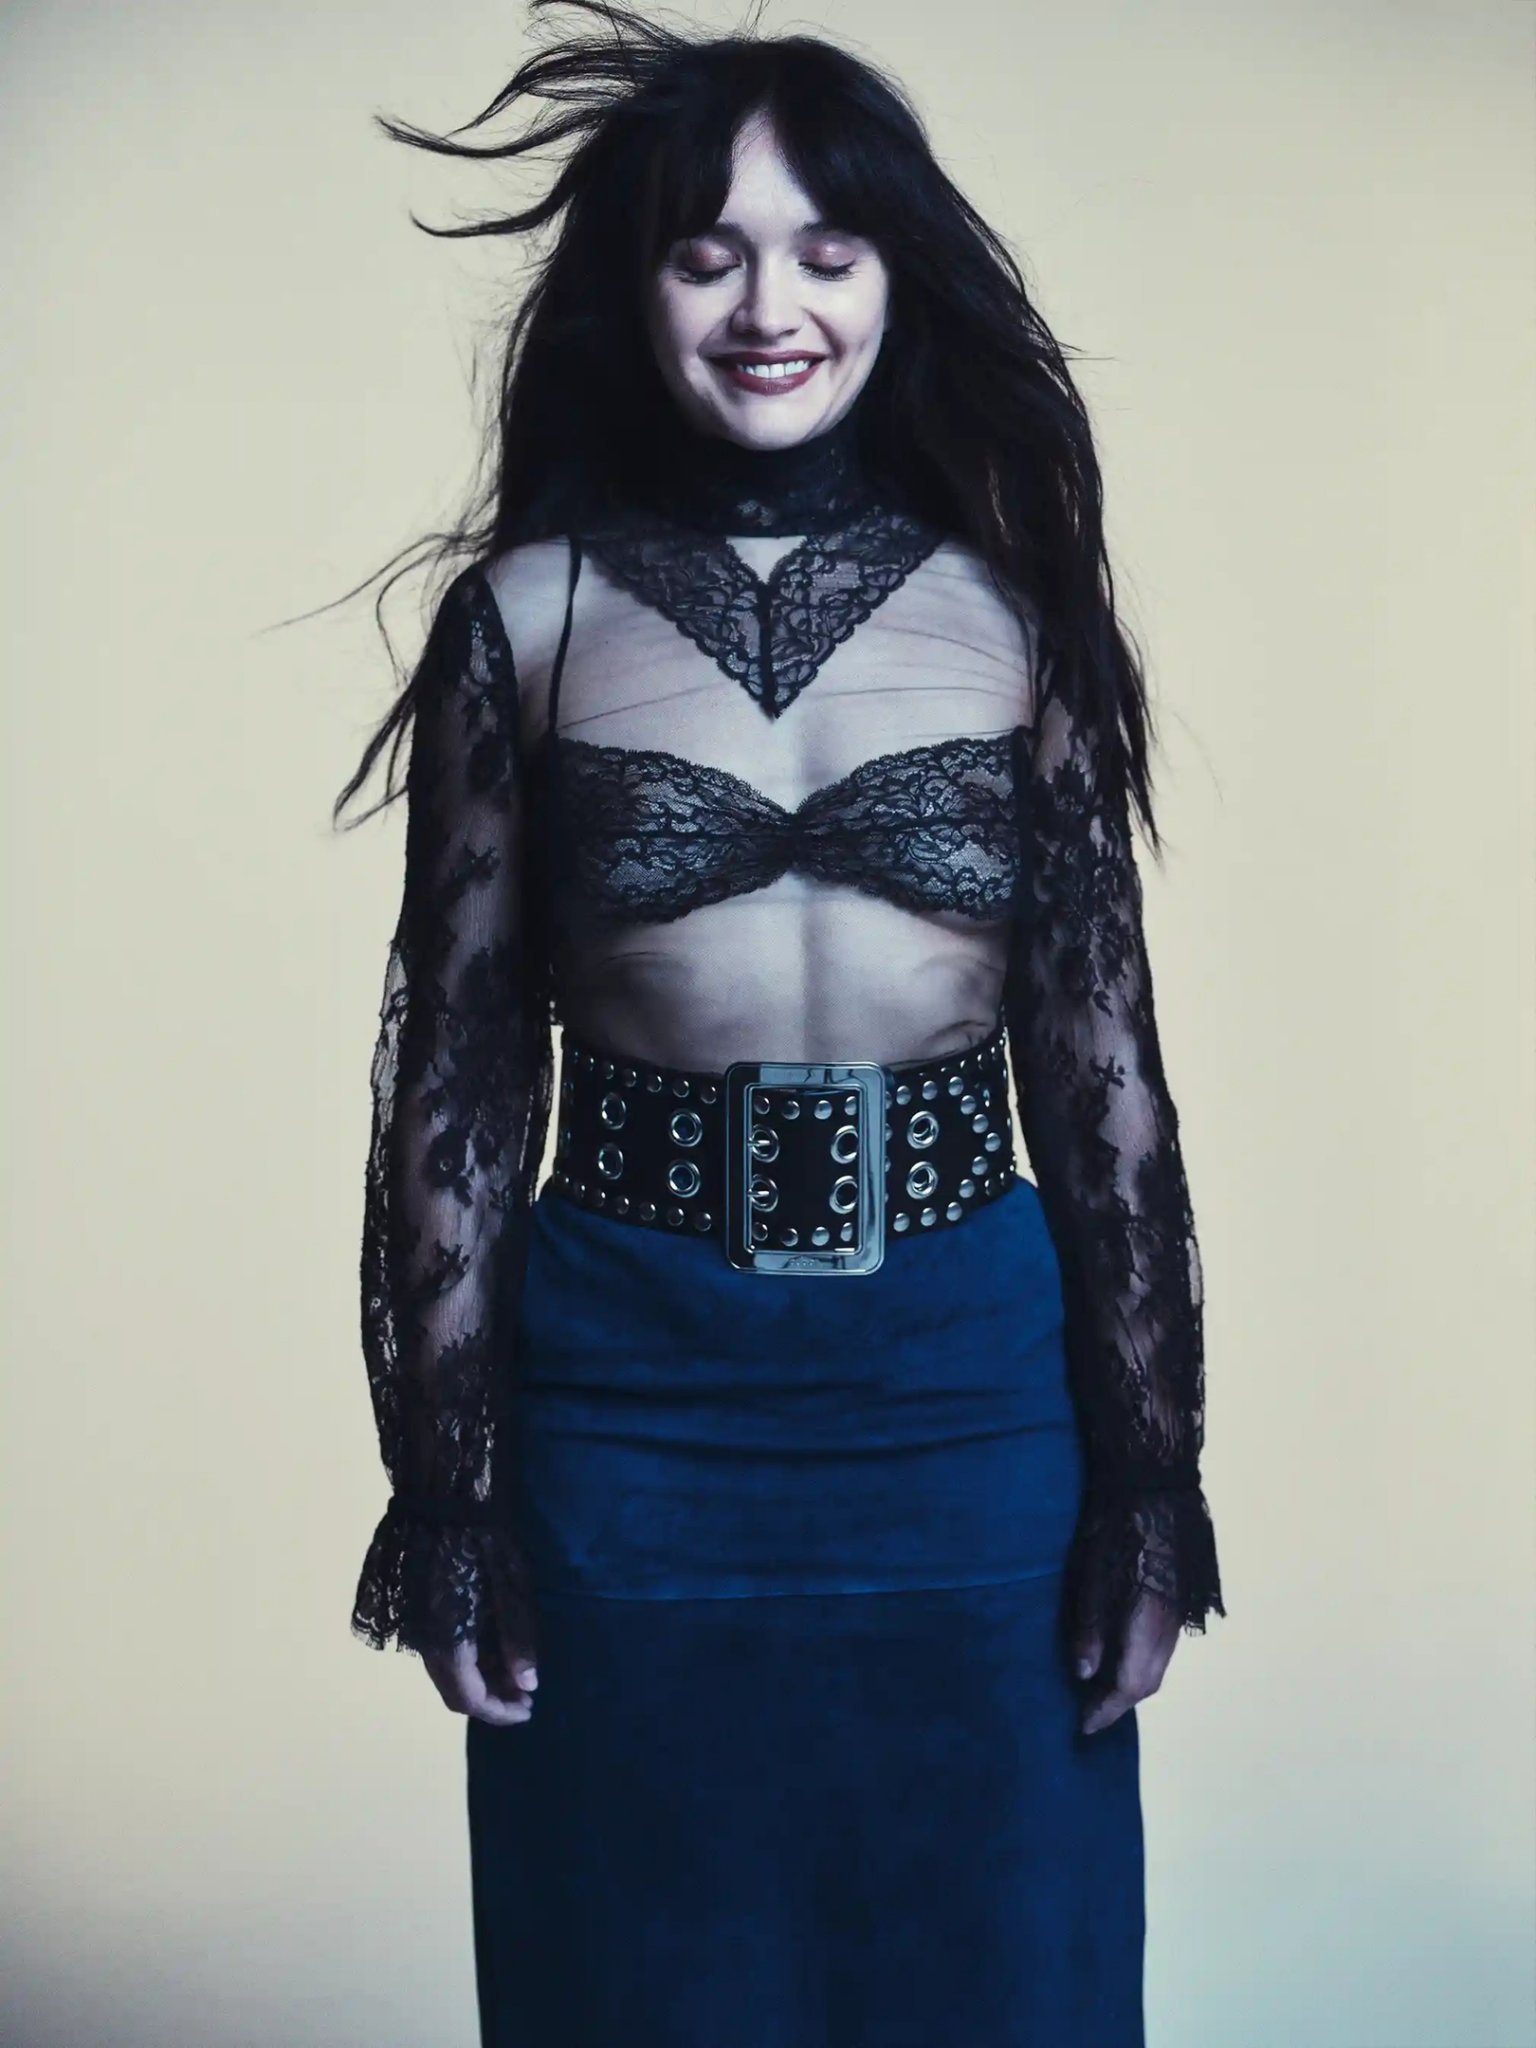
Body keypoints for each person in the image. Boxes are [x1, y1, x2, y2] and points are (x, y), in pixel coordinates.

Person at [334, 6, 1226, 2043]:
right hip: (631, 1401)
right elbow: (459, 1070)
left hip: (965, 1400)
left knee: (1009, 1977)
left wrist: (1148, 1476)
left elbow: (1103, 1069)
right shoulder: (526, 620)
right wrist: (452, 1492)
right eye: (707, 253)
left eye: (826, 249)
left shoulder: (1015, 617)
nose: (769, 308)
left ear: (896, 279)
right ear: (635, 288)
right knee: (635, 1983)